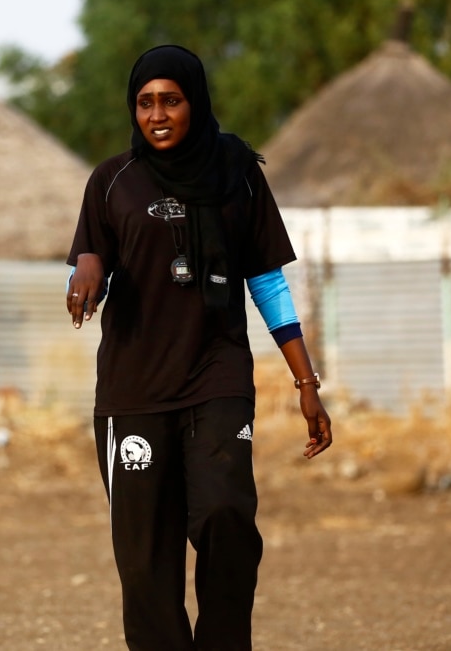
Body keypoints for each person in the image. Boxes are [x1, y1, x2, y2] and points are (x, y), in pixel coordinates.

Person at [64, 44, 333, 650]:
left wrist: (307, 385)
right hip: (134, 389)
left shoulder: (237, 174)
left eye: (171, 100)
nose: (157, 115)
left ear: (195, 102)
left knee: (226, 517)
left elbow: (266, 282)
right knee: (145, 560)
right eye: (145, 103)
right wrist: (83, 272)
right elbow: (91, 261)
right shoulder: (112, 181)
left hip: (218, 377)